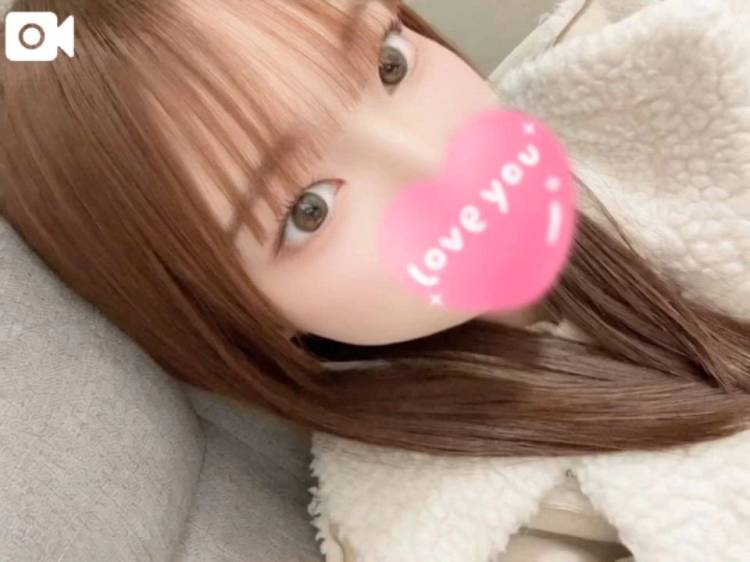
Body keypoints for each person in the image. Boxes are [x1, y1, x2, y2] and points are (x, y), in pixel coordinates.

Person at [1, 0, 749, 560]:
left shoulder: (663, 62)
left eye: (390, 64)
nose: (436, 161)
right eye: (309, 210)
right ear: (235, 317)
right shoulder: (469, 528)